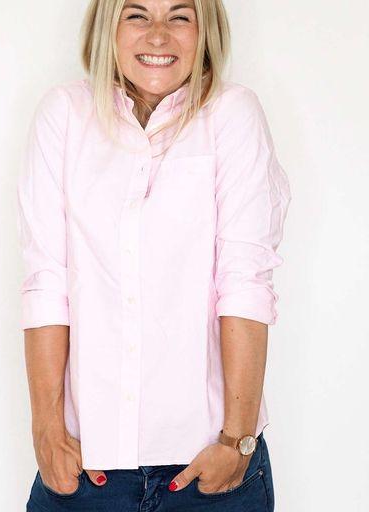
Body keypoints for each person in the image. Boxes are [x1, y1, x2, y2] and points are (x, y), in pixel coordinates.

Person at [17, 0, 291, 510]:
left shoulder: (232, 114)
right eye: (137, 15)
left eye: (180, 16)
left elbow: (245, 283)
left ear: (205, 30)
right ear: (108, 26)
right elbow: (46, 282)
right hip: (85, 468)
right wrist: (46, 431)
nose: (158, 35)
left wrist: (236, 441)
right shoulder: (65, 115)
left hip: (211, 467)